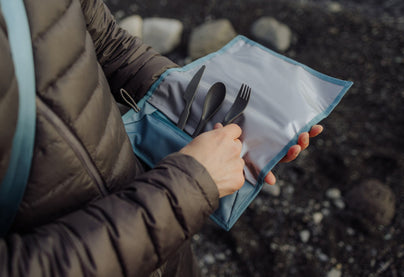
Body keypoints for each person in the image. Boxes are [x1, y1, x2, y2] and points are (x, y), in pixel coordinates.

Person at [0, 0, 323, 276]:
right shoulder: (180, 193)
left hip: (160, 221)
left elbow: (108, 45)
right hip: (157, 210)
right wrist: (188, 186)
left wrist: (208, 113)